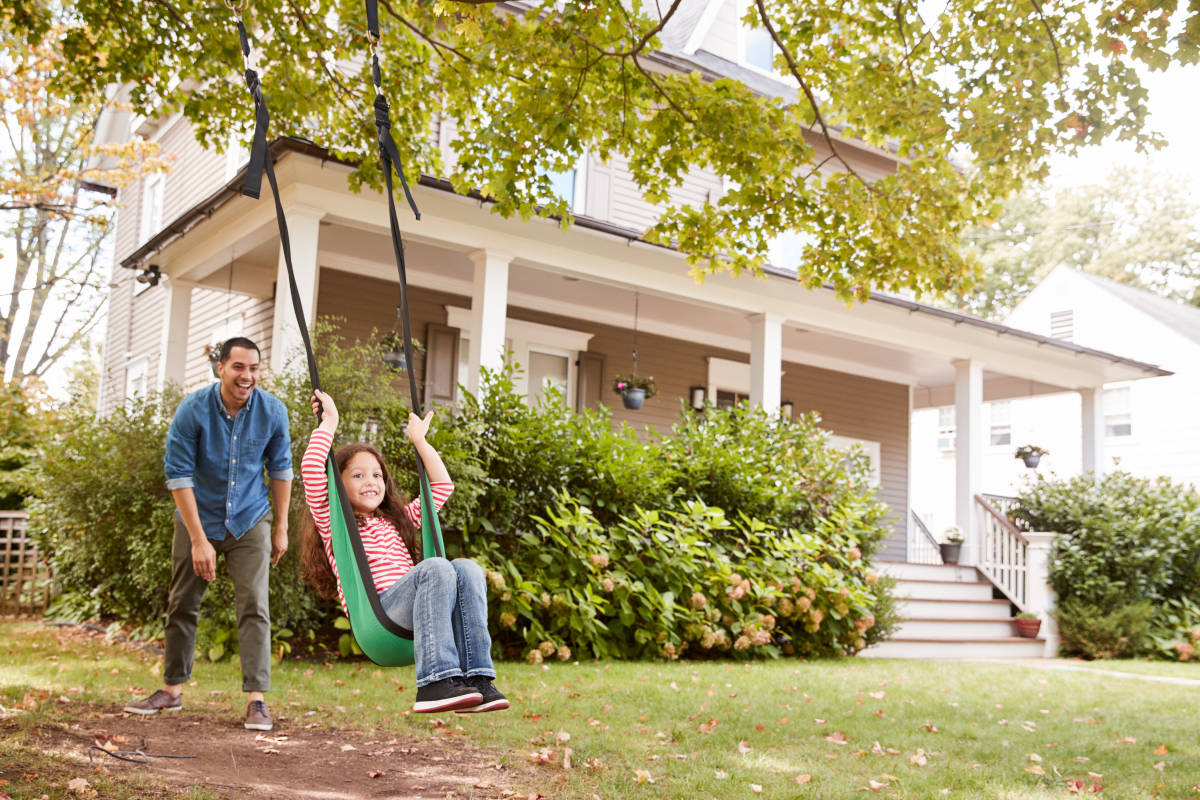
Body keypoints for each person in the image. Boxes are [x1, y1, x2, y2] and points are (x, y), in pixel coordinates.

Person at [299, 389, 507, 714]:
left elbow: (441, 486)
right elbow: (312, 470)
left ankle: (478, 678)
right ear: (338, 485)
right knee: (436, 567)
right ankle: (434, 683)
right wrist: (330, 422)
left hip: (422, 612)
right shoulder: (335, 522)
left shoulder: (398, 520)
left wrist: (420, 442)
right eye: (358, 475)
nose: (371, 481)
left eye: (377, 475)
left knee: (466, 567)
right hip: (380, 618)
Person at [124, 337, 293, 732]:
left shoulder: (273, 412)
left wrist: (281, 527)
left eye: (253, 368)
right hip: (197, 517)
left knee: (254, 604)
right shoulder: (193, 410)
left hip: (250, 520)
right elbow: (178, 475)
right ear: (221, 367)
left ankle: (257, 700)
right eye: (238, 367)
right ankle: (171, 690)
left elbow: (281, 469)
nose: (247, 376)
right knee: (182, 602)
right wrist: (198, 539)